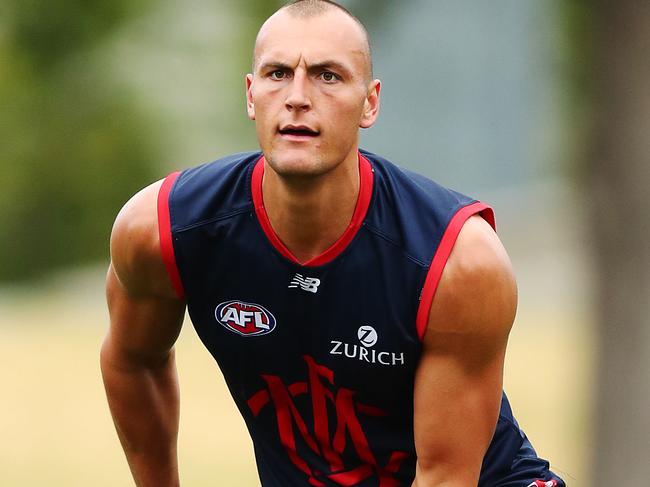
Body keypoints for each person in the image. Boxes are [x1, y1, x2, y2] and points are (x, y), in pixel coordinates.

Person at [100, 1, 566, 486]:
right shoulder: (160, 230)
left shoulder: (459, 261)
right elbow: (134, 360)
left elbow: (446, 476)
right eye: (278, 73)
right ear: (250, 94)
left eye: (327, 76)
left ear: (370, 102)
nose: (297, 96)